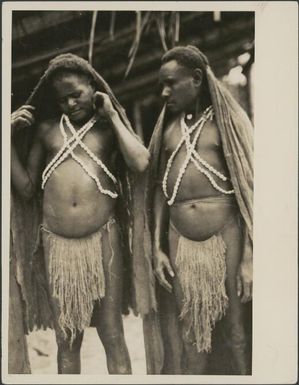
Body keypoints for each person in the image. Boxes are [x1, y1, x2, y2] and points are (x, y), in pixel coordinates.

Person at [10, 53, 150, 374]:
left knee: (111, 333)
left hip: (104, 241)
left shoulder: (107, 130)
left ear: (93, 86)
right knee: (67, 340)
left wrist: (113, 115)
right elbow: (28, 188)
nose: (71, 104)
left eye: (77, 94)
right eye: (63, 100)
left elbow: (141, 161)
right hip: (58, 246)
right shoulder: (47, 132)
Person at [138, 45, 253, 374]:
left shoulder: (226, 125)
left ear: (197, 79)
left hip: (226, 235)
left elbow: (246, 189)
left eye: (171, 83)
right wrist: (158, 248)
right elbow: (160, 190)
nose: (164, 92)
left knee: (235, 327)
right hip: (180, 241)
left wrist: (246, 258)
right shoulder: (167, 132)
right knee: (191, 328)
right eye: (163, 84)